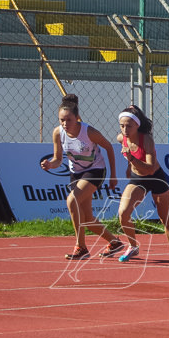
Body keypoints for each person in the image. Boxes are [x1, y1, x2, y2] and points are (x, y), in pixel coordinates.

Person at [40, 94, 122, 260]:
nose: (64, 124)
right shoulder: (58, 133)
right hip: (76, 173)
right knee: (87, 218)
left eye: (68, 120)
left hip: (96, 170)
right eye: (61, 120)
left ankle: (81, 247)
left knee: (71, 200)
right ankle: (114, 242)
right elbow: (57, 159)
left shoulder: (89, 132)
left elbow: (109, 148)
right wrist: (50, 164)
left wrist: (113, 175)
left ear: (77, 118)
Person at [116, 105, 169, 264]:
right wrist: (128, 166)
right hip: (137, 178)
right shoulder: (121, 138)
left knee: (164, 217)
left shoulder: (146, 139)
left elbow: (150, 168)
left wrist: (131, 159)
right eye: (122, 126)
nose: (125, 129)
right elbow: (126, 151)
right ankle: (132, 246)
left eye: (129, 126)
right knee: (123, 212)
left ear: (137, 125)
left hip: (155, 177)